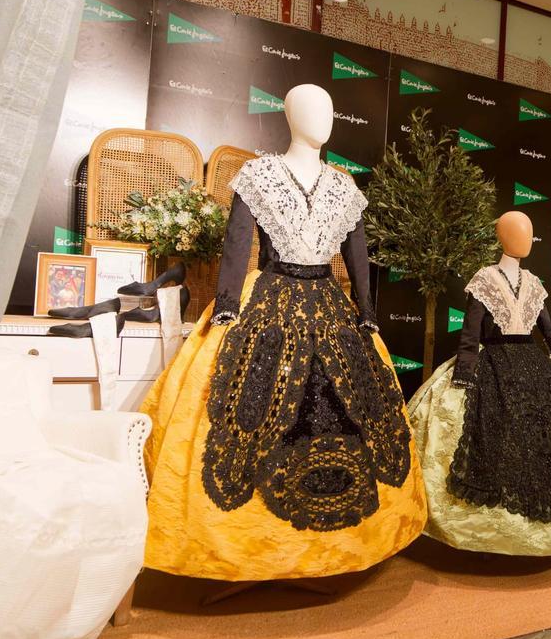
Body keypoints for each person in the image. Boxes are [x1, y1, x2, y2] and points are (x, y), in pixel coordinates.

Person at [140, 85, 426, 581]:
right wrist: (227, 307)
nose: (326, 119)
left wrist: (367, 311)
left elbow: (357, 257)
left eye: (331, 109)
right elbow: (238, 245)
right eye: (314, 110)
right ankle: (252, 548)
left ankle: (334, 547)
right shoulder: (260, 175)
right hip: (269, 298)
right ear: (291, 116)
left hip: (330, 303)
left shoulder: (344, 185)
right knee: (245, 403)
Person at [407, 211, 551, 555]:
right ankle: (495, 529)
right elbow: (471, 332)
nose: (527, 238)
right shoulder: (484, 279)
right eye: (519, 231)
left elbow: (547, 331)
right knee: (495, 434)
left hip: (533, 363)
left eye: (530, 231)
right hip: (493, 362)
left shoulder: (533, 283)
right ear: (503, 237)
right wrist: (464, 376)